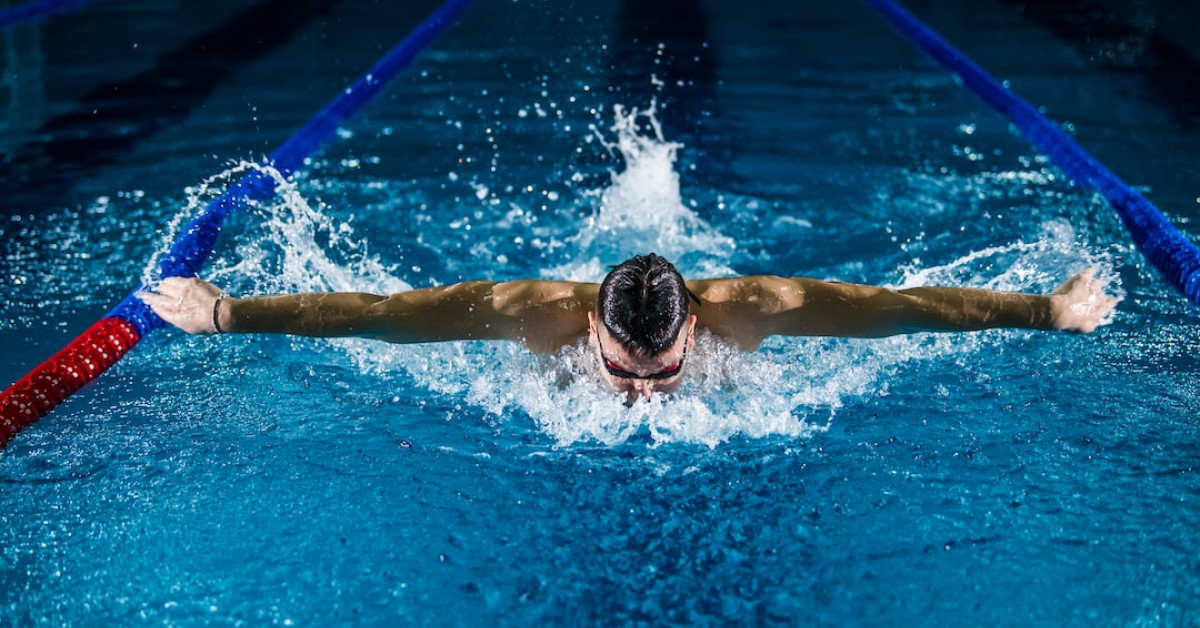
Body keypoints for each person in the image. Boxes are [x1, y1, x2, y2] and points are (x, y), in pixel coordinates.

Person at [140, 253, 1117, 401]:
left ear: (696, 322)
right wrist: (226, 313)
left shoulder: (760, 308)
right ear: (591, 331)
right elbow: (381, 317)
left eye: (660, 371)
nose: (639, 393)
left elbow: (906, 309)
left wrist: (1047, 311)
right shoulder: (531, 316)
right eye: (622, 367)